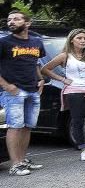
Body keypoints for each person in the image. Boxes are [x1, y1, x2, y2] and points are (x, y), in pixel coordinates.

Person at [40, 28, 85, 161]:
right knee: (77, 119)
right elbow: (45, 69)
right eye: (79, 38)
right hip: (75, 90)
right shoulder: (65, 55)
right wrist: (62, 79)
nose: (83, 41)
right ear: (72, 40)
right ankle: (83, 148)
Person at [0, 10, 46, 176]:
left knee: (27, 127)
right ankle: (15, 164)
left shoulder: (36, 42)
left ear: (27, 23)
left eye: (16, 19)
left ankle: (22, 160)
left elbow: (35, 63)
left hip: (33, 90)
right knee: (15, 127)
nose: (11, 22)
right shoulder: (4, 43)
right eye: (9, 19)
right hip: (14, 91)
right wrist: (6, 86)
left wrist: (41, 79)